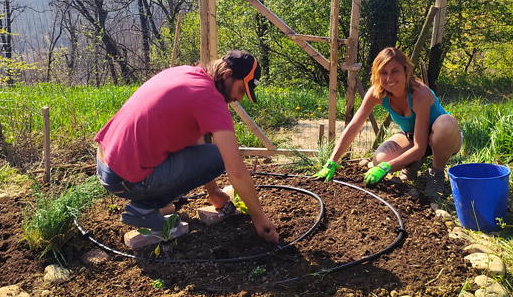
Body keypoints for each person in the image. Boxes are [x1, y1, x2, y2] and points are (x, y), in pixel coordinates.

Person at [94, 50, 279, 244]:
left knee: (211, 156)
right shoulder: (211, 99)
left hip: (106, 163)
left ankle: (151, 199)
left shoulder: (186, 74)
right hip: (125, 177)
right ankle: (144, 208)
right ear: (227, 76)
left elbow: (195, 142)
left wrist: (213, 190)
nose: (239, 98)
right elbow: (236, 170)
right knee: (219, 157)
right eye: (241, 90)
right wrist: (260, 220)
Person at [313, 47, 462, 198]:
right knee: (380, 160)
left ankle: (436, 175)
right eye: (383, 72)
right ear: (377, 74)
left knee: (445, 123)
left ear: (405, 70)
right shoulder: (376, 93)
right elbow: (354, 127)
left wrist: (388, 168)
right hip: (411, 135)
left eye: (394, 71)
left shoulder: (419, 94)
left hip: (445, 138)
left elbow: (420, 147)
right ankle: (411, 166)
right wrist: (332, 162)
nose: (389, 78)